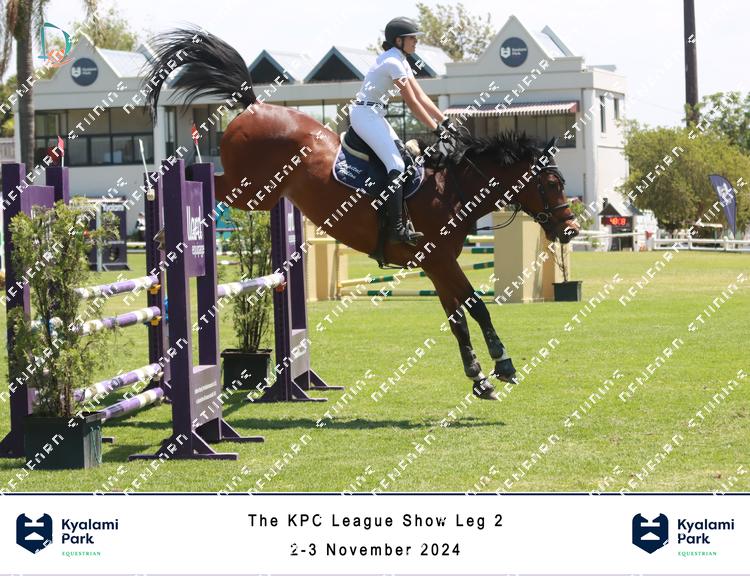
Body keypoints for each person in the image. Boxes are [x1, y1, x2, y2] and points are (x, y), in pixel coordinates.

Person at [350, 16, 456, 245]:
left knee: (406, 160)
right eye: (412, 38)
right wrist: (436, 129)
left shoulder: (401, 60)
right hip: (365, 115)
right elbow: (412, 103)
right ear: (399, 40)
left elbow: (421, 96)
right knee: (396, 165)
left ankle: (401, 219)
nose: (416, 42)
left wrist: (445, 121)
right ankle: (395, 230)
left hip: (375, 114)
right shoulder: (393, 63)